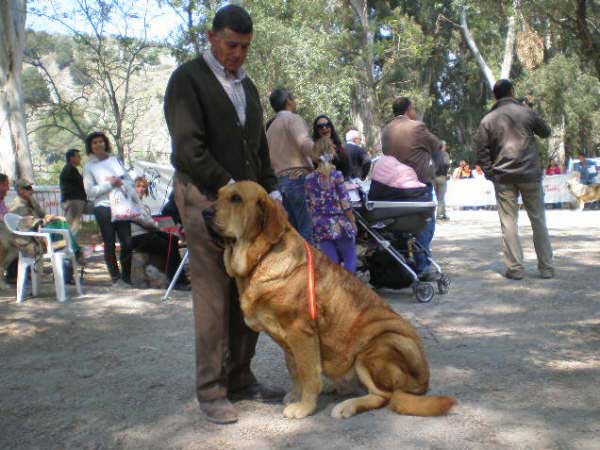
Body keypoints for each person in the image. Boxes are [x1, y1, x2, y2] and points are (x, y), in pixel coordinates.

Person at [163, 5, 283, 425]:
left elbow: (259, 148)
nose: (238, 54)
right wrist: (231, 188)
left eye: (245, 47)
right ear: (212, 37)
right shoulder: (187, 80)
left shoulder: (247, 87)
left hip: (247, 206)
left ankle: (241, 378)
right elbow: (187, 150)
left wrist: (271, 189)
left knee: (248, 290)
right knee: (214, 296)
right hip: (204, 200)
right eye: (232, 45)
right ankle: (212, 391)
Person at [475, 78, 553, 280]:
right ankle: (546, 268)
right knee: (538, 220)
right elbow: (546, 132)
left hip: (503, 177)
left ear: (495, 96)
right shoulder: (526, 112)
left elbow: (482, 151)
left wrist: (490, 173)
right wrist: (531, 112)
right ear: (512, 91)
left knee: (508, 223)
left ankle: (516, 269)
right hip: (530, 174)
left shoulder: (487, 120)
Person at [381, 96, 441, 281]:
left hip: (393, 186)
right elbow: (437, 145)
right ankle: (422, 266)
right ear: (408, 110)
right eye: (413, 108)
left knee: (400, 227)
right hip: (418, 185)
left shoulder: (386, 130)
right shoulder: (417, 127)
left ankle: (404, 264)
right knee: (425, 225)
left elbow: (385, 153)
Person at [266, 88, 317, 242]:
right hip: (298, 179)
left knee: (294, 233)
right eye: (293, 98)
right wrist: (323, 154)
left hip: (280, 183)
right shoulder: (292, 119)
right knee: (309, 229)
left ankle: (300, 264)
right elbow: (304, 143)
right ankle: (311, 265)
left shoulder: (270, 127)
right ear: (289, 100)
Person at [83, 131, 133, 286]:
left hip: (121, 205)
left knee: (127, 242)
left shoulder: (115, 160)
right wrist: (110, 184)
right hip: (103, 208)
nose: (98, 145)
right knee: (109, 243)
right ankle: (115, 278)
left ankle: (126, 277)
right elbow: (90, 191)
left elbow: (129, 181)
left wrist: (121, 183)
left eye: (101, 141)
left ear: (106, 143)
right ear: (90, 147)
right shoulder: (89, 166)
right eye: (94, 142)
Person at [131, 176, 190, 290]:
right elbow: (143, 221)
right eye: (138, 186)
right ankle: (177, 281)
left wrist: (160, 227)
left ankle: (178, 278)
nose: (141, 189)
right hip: (138, 236)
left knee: (172, 239)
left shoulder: (142, 204)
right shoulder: (131, 202)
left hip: (145, 233)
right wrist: (158, 226)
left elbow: (148, 222)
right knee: (168, 246)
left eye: (143, 187)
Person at [305, 151, 357, 273]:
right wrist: (352, 221)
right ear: (332, 155)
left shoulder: (308, 179)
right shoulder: (336, 175)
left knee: (331, 263)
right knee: (349, 256)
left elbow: (309, 205)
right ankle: (350, 286)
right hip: (339, 222)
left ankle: (336, 288)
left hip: (320, 223)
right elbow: (344, 201)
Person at [60, 148, 88, 237]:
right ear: (72, 158)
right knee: (72, 226)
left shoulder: (72, 169)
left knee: (73, 225)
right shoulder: (69, 170)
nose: (80, 158)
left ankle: (71, 245)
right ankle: (70, 247)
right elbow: (82, 183)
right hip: (74, 201)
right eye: (78, 156)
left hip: (76, 201)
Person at [312, 115, 351, 179]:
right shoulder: (314, 149)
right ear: (316, 130)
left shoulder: (339, 146)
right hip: (325, 186)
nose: (324, 128)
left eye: (327, 124)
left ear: (331, 127)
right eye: (320, 126)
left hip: (343, 184)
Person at [0, 173, 18, 283]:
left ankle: (2, 271)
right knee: (7, 241)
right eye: (5, 185)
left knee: (16, 246)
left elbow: (6, 216)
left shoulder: (1, 200)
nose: (7, 188)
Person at [432, 141, 450, 221]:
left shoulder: (433, 154)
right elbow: (446, 164)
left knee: (438, 196)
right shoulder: (445, 154)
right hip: (441, 176)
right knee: (441, 197)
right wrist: (446, 173)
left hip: (433, 177)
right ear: (443, 146)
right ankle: (439, 215)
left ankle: (444, 213)